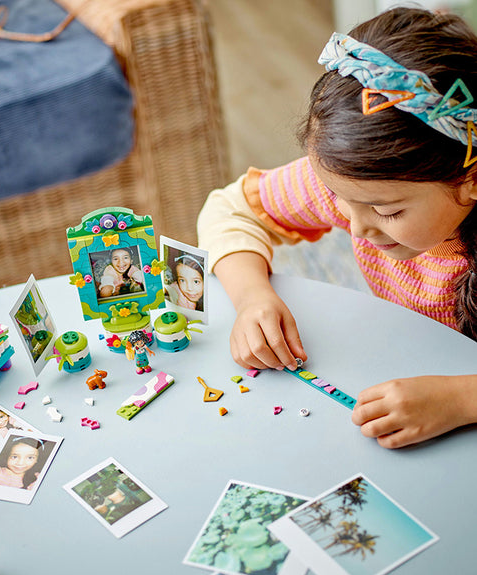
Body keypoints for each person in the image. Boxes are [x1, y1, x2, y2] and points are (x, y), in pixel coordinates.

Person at [197, 7, 477, 449]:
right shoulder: (358, 184)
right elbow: (230, 209)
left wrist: (461, 399)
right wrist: (252, 296)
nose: (356, 227)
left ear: (470, 181)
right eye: (339, 199)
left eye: (386, 212)